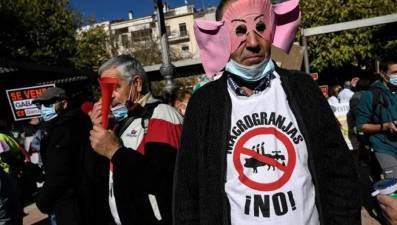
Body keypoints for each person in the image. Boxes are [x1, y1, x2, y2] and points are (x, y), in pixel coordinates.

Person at [173, 0, 360, 225]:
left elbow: (339, 172)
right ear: (221, 36)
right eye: (240, 30)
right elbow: (187, 189)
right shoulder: (204, 104)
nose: (253, 42)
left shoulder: (303, 89)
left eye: (260, 28)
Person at [89, 55, 183, 225]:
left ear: (137, 84)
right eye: (103, 89)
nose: (108, 97)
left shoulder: (161, 114)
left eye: (114, 88)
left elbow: (165, 180)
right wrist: (101, 133)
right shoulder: (122, 123)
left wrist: (115, 151)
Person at [33, 87, 106, 225]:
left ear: (64, 104)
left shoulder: (63, 128)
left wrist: (42, 201)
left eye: (48, 104)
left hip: (72, 204)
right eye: (40, 105)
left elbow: (59, 171)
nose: (43, 108)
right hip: (89, 198)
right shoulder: (80, 121)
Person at [356, 58, 397, 182]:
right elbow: (361, 125)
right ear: (382, 73)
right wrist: (385, 126)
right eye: (395, 72)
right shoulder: (370, 95)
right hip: (384, 147)